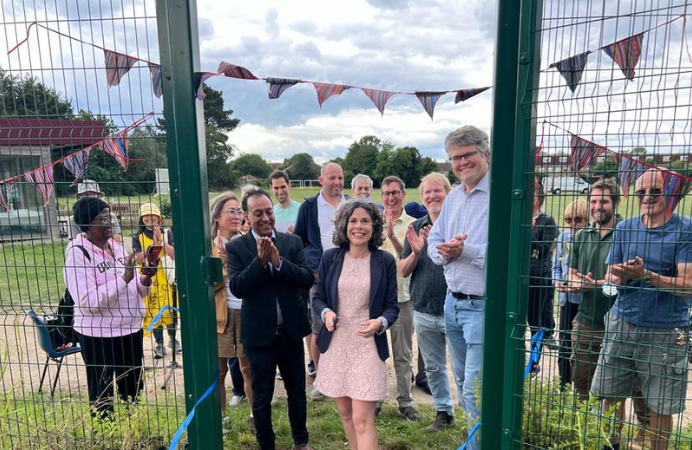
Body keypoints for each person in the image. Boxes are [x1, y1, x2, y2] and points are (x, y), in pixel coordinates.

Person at [591, 170, 692, 450]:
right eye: (641, 193)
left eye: (655, 192)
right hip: (622, 322)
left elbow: (688, 285)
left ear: (671, 193)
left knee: (661, 404)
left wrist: (647, 275)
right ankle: (609, 446)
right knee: (609, 394)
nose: (647, 197)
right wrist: (620, 275)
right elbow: (611, 274)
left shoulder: (685, 229)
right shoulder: (626, 228)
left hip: (665, 331)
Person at [227, 189, 316, 450]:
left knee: (297, 392)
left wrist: (279, 263)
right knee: (262, 396)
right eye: (258, 213)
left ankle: (301, 442)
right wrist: (260, 262)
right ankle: (266, 445)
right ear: (246, 216)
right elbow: (238, 287)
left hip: (290, 332)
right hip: (259, 336)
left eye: (268, 211)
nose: (265, 217)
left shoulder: (291, 242)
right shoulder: (237, 247)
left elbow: (306, 278)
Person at [312, 198, 400, 450]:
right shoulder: (330, 258)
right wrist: (326, 312)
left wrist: (380, 322)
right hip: (337, 344)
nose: (358, 226)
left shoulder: (385, 260)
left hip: (367, 345)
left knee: (363, 420)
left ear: (374, 226)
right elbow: (318, 297)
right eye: (353, 221)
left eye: (365, 221)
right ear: (344, 225)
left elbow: (392, 307)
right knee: (347, 416)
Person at [566, 179, 650, 436]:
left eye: (603, 201)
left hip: (624, 324)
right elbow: (572, 273)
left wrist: (594, 284)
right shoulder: (581, 235)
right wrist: (574, 284)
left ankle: (629, 437)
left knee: (628, 390)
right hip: (587, 320)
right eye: (593, 201)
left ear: (616, 202)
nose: (596, 207)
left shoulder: (629, 234)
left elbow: (623, 282)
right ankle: (584, 435)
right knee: (581, 386)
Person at [428, 125, 490, 450]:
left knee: (474, 390)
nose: (462, 162)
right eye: (455, 158)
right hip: (452, 304)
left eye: (468, 155)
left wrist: (463, 251)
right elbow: (433, 242)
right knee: (465, 382)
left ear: (486, 154)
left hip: (483, 306)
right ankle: (476, 440)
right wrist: (446, 252)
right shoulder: (454, 195)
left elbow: (508, 257)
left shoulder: (501, 195)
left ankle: (478, 445)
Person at [64, 197, 153, 416]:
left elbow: (135, 288)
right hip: (100, 335)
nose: (109, 222)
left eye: (110, 216)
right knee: (103, 392)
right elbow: (87, 302)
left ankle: (133, 429)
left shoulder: (116, 247)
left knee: (132, 388)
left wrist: (145, 279)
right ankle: (106, 435)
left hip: (130, 329)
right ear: (88, 223)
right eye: (103, 218)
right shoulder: (78, 253)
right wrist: (123, 279)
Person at [400, 172, 460, 432]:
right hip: (423, 308)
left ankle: (473, 415)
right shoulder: (414, 228)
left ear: (448, 194)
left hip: (457, 309)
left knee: (462, 368)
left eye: (438, 191)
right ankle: (444, 413)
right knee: (434, 367)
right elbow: (403, 270)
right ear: (422, 198)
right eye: (428, 192)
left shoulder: (458, 224)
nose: (433, 196)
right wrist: (416, 251)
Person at [294, 162, 347, 399]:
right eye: (332, 178)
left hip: (349, 272)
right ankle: (323, 379)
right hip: (320, 276)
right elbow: (299, 241)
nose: (337, 182)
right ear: (321, 180)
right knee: (319, 326)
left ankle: (346, 377)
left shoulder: (353, 204)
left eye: (340, 178)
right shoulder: (309, 206)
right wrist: (311, 266)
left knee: (348, 325)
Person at [377, 175, 421, 421]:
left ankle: (405, 403)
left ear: (403, 194)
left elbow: (410, 261)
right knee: (376, 354)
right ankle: (376, 399)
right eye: (386, 193)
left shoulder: (414, 224)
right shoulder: (373, 223)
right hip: (376, 302)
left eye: (395, 193)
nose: (391, 198)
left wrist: (392, 236)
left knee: (403, 355)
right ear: (381, 197)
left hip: (402, 299)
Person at [210, 192, 253, 424]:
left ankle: (256, 415)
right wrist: (226, 261)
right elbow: (212, 284)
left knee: (248, 369)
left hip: (246, 313)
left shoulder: (247, 242)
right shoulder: (208, 246)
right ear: (217, 216)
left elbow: (253, 276)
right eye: (231, 211)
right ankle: (221, 418)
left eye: (239, 211)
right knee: (219, 371)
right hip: (221, 316)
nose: (237, 216)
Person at [133, 203, 178, 359]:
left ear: (159, 217)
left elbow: (173, 254)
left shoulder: (168, 233)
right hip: (149, 279)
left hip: (166, 278)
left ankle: (173, 339)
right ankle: (159, 344)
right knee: (153, 311)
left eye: (153, 215)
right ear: (141, 219)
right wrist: (153, 245)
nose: (150, 218)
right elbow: (139, 259)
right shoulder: (137, 237)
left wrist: (161, 242)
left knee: (170, 308)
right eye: (146, 215)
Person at [551, 199, 587, 388]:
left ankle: (582, 389)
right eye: (568, 220)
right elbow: (556, 267)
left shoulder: (590, 238)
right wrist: (556, 281)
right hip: (566, 301)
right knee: (564, 345)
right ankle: (563, 386)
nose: (573, 224)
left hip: (585, 302)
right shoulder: (563, 239)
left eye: (578, 219)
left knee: (582, 348)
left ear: (587, 221)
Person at [527, 179, 558, 374]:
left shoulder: (547, 221)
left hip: (538, 277)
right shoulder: (516, 218)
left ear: (539, 197)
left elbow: (544, 249)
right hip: (518, 277)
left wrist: (528, 230)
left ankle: (534, 362)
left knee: (535, 321)